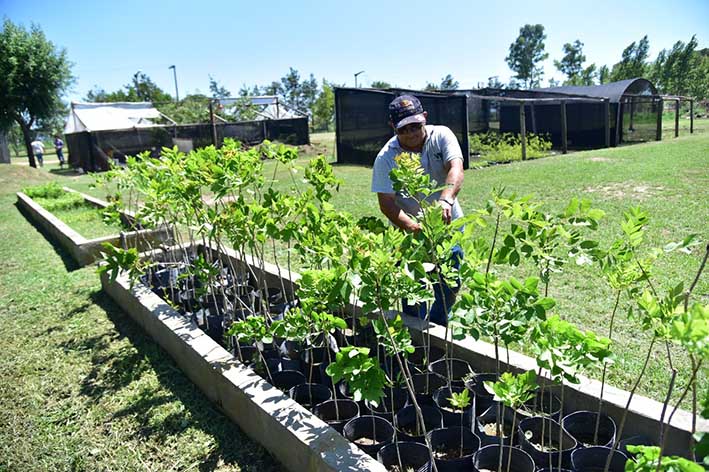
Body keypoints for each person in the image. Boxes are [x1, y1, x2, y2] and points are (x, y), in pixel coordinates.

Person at [371, 94, 465, 325]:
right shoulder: (386, 158)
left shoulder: (441, 135)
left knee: (450, 284)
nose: (411, 133)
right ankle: (416, 338)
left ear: (424, 118)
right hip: (409, 235)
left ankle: (439, 324)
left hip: (447, 227)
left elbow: (456, 168)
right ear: (393, 127)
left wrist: (446, 200)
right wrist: (414, 228)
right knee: (414, 292)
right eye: (404, 129)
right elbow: (387, 204)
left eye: (416, 126)